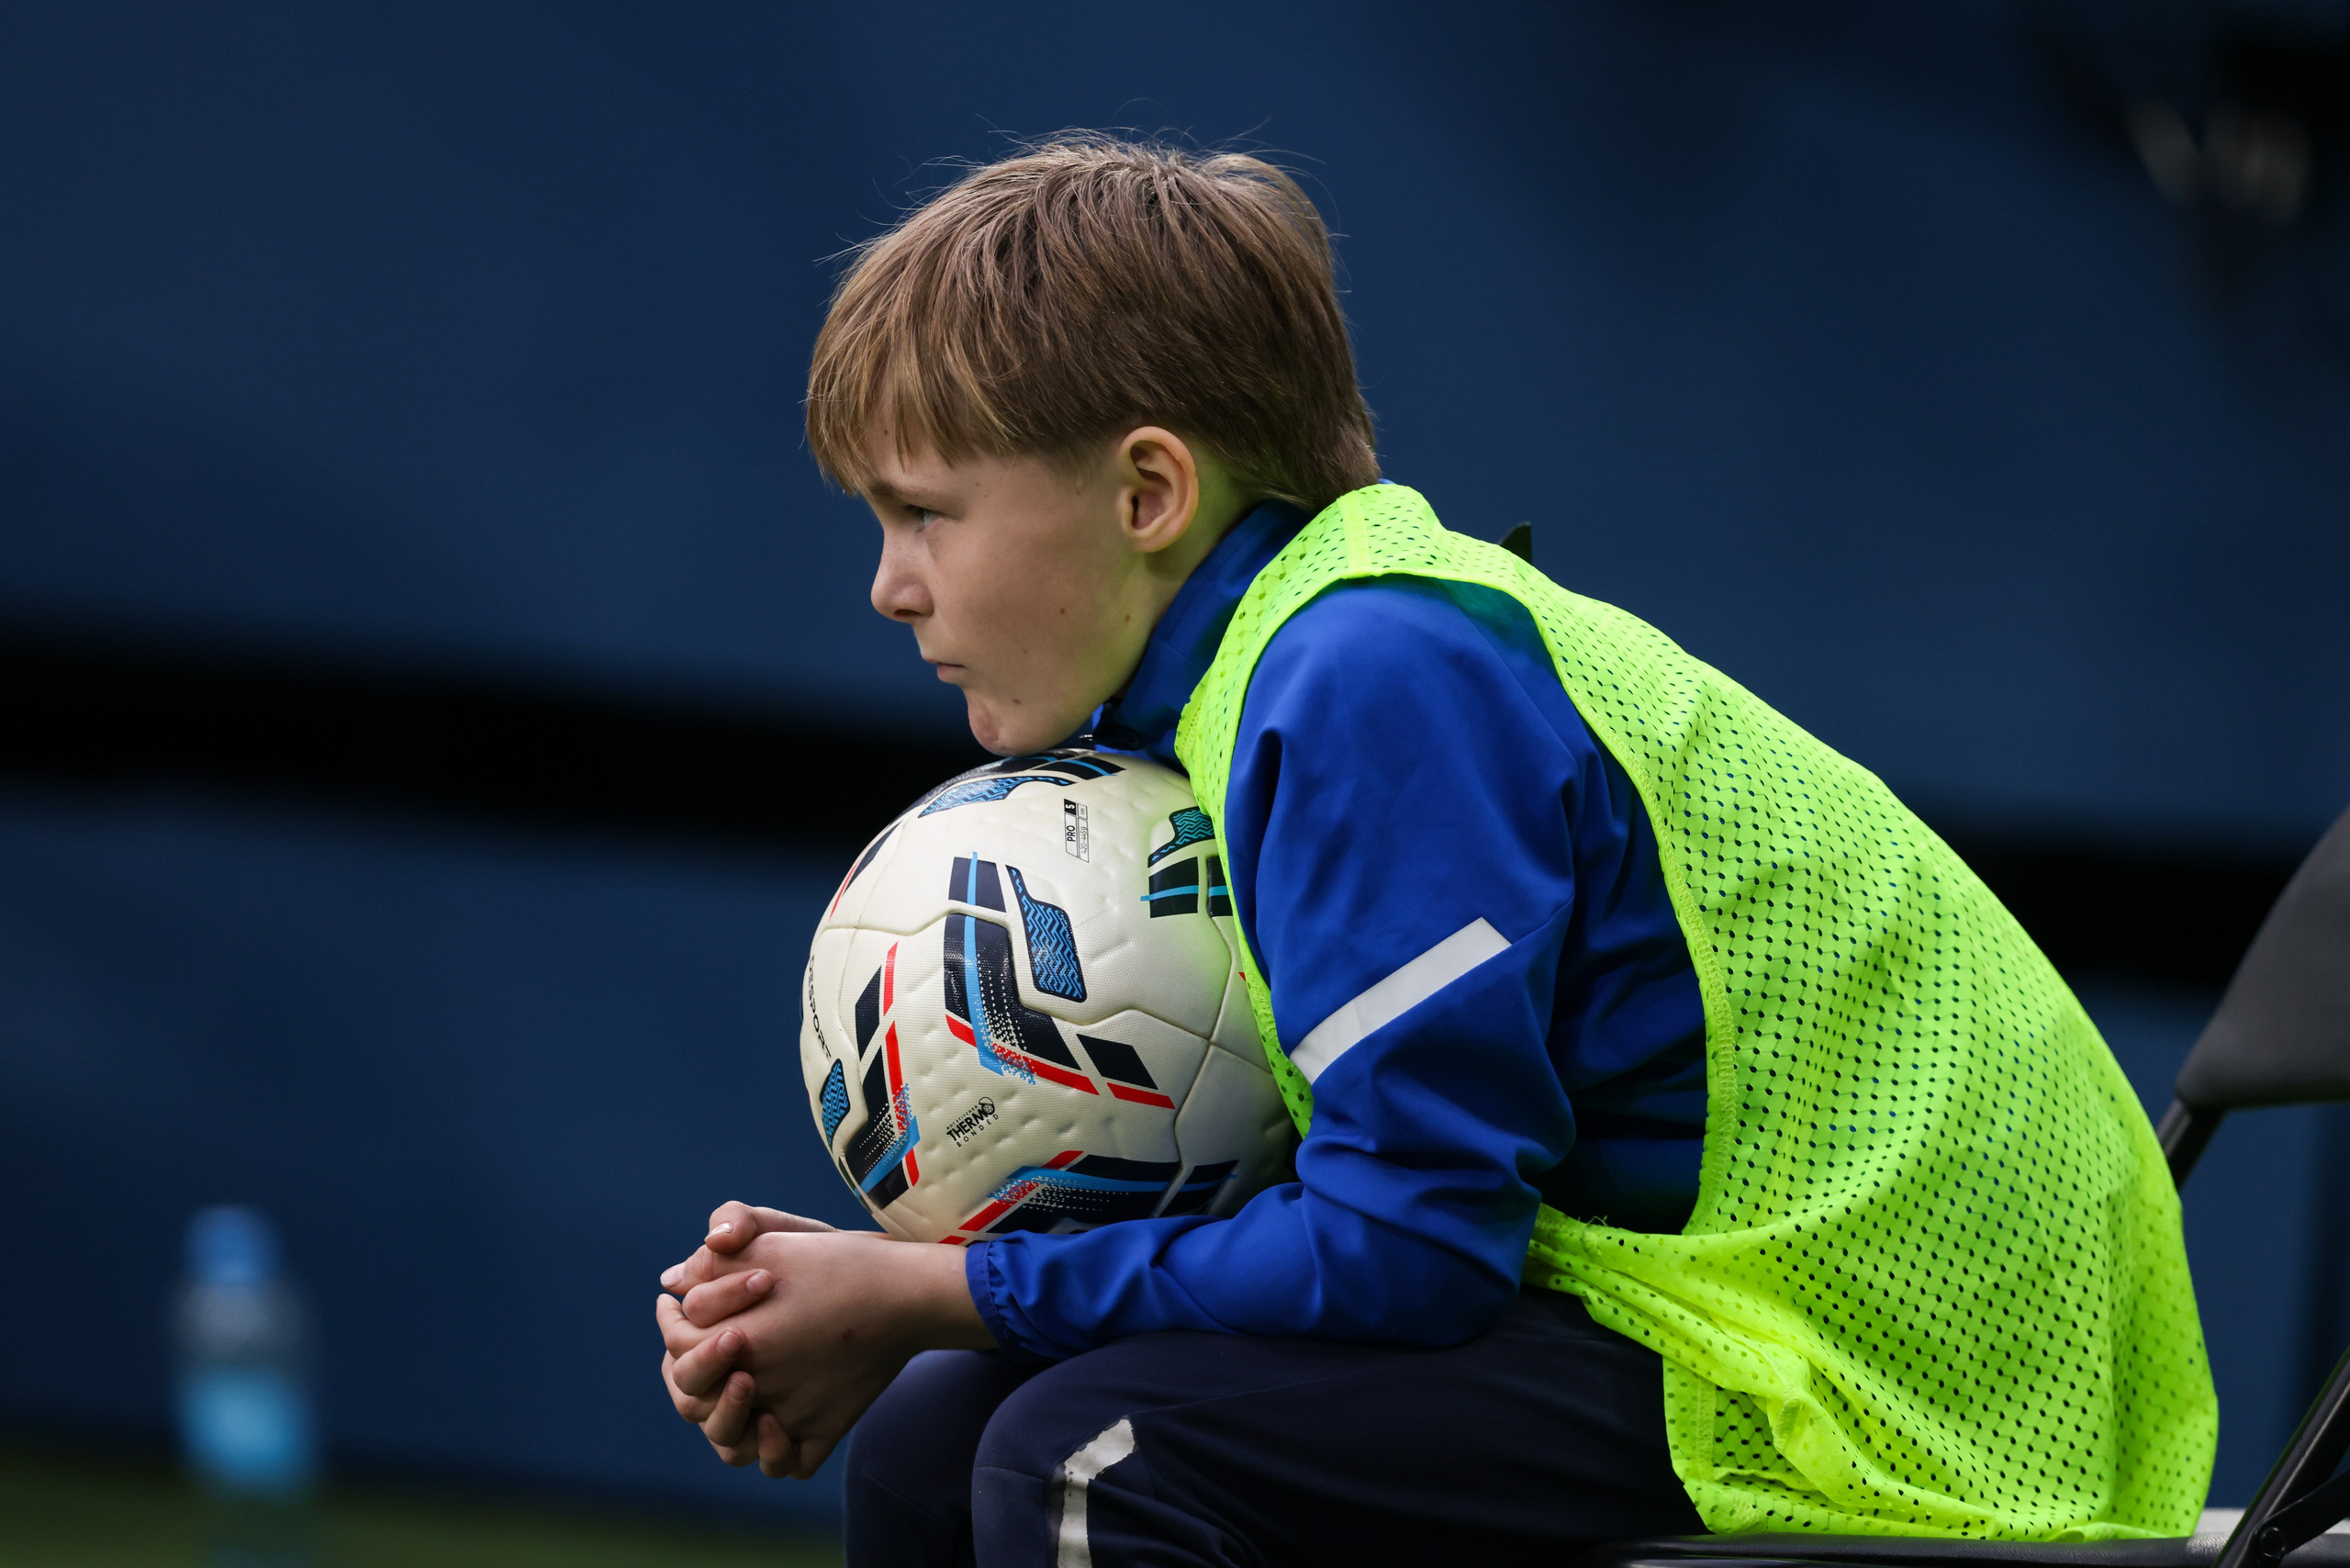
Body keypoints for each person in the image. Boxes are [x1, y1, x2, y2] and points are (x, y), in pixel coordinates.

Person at [655, 137, 2215, 1568]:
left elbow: (1410, 1251)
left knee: (1090, 1461)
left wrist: (947, 1287)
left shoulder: (1364, 679)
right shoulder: (1282, 661)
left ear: (1147, 491)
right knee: (938, 1433)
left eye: (924, 515)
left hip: (1876, 1375)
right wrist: (911, 1293)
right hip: (1693, 1320)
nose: (889, 586)